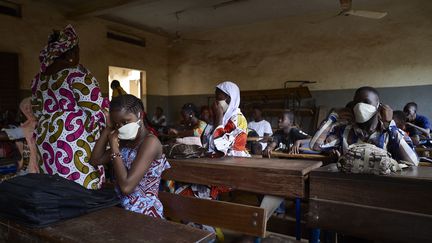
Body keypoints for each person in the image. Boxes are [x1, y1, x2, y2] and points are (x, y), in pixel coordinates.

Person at [31, 25, 109, 189]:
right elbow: (96, 108)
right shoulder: (76, 73)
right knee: (80, 185)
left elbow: (36, 110)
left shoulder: (38, 78)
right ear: (72, 52)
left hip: (45, 136)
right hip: (74, 136)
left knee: (55, 186)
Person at [90, 94, 170, 218]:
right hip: (121, 207)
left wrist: (114, 148)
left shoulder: (150, 142)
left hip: (145, 212)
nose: (121, 128)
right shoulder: (125, 140)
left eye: (126, 121)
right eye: (117, 124)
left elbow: (127, 187)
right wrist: (107, 129)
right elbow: (95, 160)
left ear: (140, 115)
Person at [310, 86, 418, 166]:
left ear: (378, 106)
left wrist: (390, 126)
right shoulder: (344, 132)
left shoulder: (390, 133)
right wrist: (331, 119)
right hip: (350, 187)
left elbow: (413, 162)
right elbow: (315, 146)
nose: (360, 106)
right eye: (356, 102)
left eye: (366, 102)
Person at [208, 81, 249, 157]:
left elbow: (221, 147)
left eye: (218, 98)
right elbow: (208, 141)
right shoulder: (224, 117)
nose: (216, 102)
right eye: (215, 98)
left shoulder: (238, 119)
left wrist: (219, 116)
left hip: (235, 160)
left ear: (229, 99)